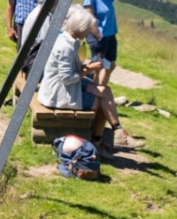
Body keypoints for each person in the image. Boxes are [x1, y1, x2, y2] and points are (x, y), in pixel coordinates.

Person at [36, 8, 132, 156]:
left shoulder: (69, 41)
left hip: (62, 87)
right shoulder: (65, 47)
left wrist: (85, 68)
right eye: (88, 29)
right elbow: (67, 78)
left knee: (105, 91)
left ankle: (117, 131)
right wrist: (87, 70)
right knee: (101, 102)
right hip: (58, 94)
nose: (89, 33)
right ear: (80, 28)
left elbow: (69, 71)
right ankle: (97, 142)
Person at [82, 0, 119, 88]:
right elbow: (90, 18)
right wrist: (97, 34)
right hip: (99, 36)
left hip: (110, 34)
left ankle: (101, 89)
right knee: (98, 65)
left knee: (110, 64)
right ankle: (94, 91)